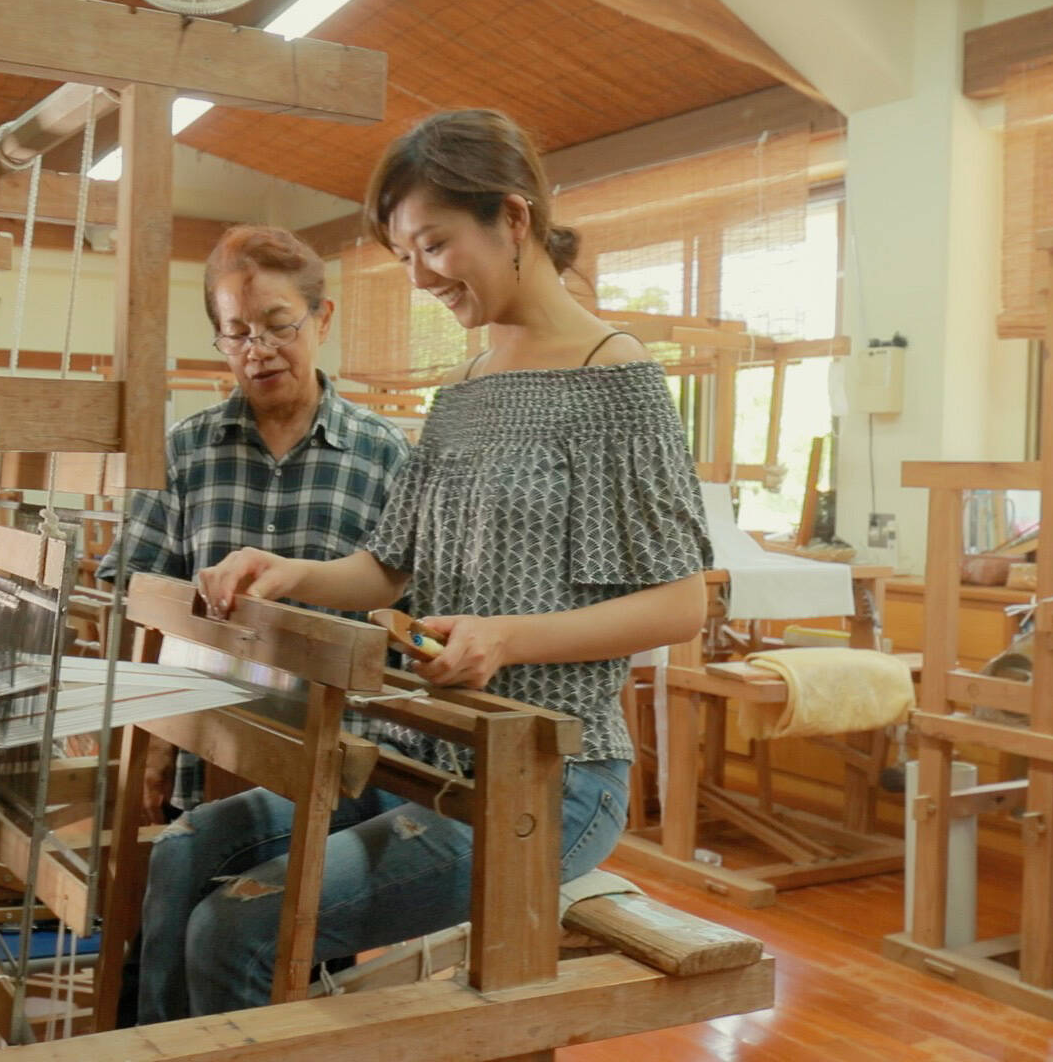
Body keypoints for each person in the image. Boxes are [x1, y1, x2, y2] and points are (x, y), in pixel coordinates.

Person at [132, 109, 713, 1022]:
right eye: (405, 256)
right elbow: (386, 568)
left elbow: (681, 606)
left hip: (552, 777)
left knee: (234, 931)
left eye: (434, 244)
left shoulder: (617, 378)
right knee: (182, 853)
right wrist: (284, 570)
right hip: (428, 755)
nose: (421, 277)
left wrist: (505, 638)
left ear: (512, 220)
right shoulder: (465, 387)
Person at [98, 224, 411, 820]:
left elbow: (406, 623)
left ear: (323, 319)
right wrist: (155, 733)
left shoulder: (386, 456)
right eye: (237, 333)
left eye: (278, 325)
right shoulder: (185, 451)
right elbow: (130, 598)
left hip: (334, 773)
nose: (258, 349)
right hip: (202, 748)